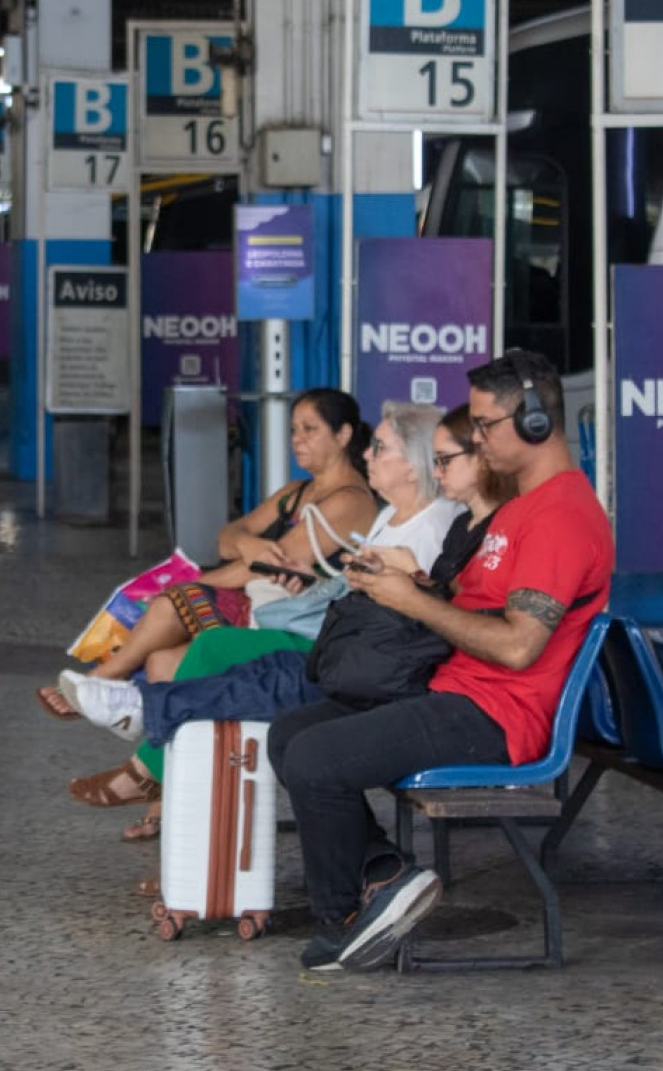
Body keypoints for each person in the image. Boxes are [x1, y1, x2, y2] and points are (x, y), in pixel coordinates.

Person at [272, 349, 613, 972]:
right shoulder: (518, 507)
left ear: (535, 423)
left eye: (484, 427)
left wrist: (414, 602)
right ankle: (387, 872)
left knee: (316, 759)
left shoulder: (561, 517)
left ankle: (343, 924)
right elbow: (475, 606)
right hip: (457, 687)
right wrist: (417, 581)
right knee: (293, 731)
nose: (475, 439)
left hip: (496, 715)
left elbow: (517, 645)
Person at [62, 404, 503, 842]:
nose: (367, 456)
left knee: (211, 651)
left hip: (357, 657)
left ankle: (152, 760)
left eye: (380, 448)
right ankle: (173, 809)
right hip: (340, 639)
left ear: (413, 465)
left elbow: (408, 617)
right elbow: (231, 536)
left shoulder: (426, 525)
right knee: (189, 655)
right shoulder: (386, 514)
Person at [36, 389, 378, 716]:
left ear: (343, 434)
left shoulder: (348, 500)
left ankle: (104, 680)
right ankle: (155, 757)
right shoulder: (295, 492)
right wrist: (248, 543)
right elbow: (226, 537)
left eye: (309, 429)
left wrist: (192, 584)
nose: (296, 439)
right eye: (293, 430)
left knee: (172, 603)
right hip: (259, 603)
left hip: (294, 620)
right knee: (161, 663)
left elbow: (260, 568)